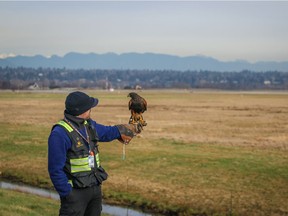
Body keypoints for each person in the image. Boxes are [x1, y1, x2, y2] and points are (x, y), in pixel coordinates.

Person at [48, 91, 141, 216]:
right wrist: (68, 193)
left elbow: (107, 132)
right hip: (75, 193)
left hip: (94, 189)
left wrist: (126, 128)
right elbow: (55, 170)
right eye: (89, 107)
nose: (91, 109)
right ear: (82, 110)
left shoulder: (88, 125)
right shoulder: (60, 133)